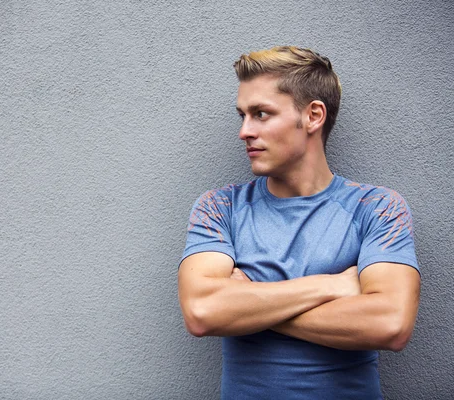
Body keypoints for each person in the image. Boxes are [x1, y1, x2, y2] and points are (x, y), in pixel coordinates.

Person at [177, 46, 421, 399]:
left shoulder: (377, 207)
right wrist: (332, 286)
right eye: (242, 115)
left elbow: (390, 324)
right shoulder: (220, 207)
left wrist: (247, 303)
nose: (244, 131)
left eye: (261, 114)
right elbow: (202, 312)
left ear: (313, 116)